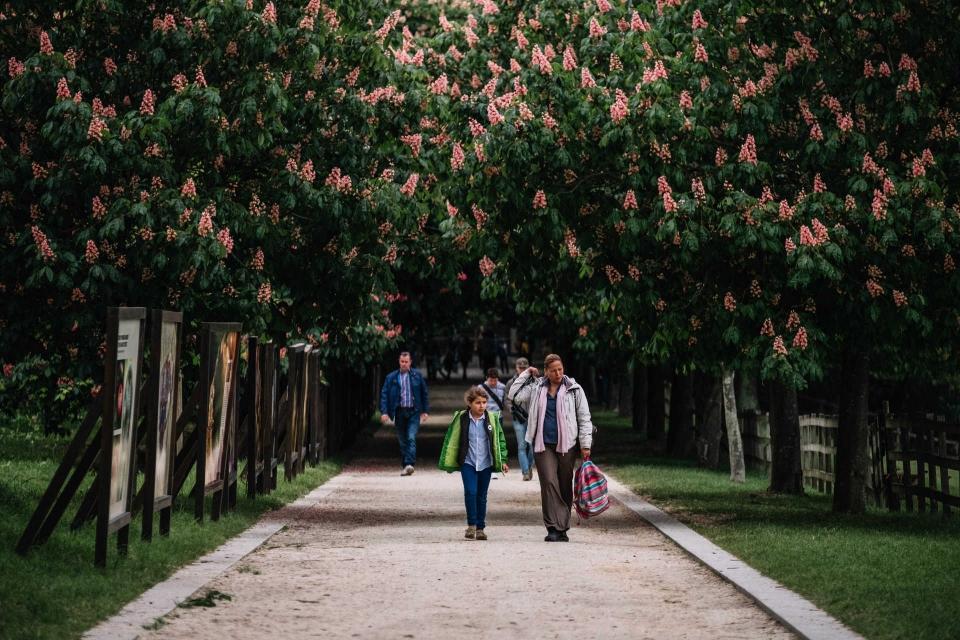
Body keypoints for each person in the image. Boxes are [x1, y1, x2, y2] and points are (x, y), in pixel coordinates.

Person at [509, 354, 593, 542]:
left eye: (560, 369)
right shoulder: (536, 388)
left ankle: (563, 527)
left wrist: (585, 444)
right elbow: (513, 395)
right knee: (548, 482)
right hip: (543, 444)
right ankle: (553, 527)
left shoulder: (574, 389)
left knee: (564, 484)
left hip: (567, 445)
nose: (557, 373)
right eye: (553, 370)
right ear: (546, 371)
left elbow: (584, 418)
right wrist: (526, 374)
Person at [438, 386, 509, 540]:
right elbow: (452, 439)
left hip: (486, 463)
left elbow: (500, 440)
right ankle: (471, 525)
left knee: (482, 496)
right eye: (478, 402)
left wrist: (503, 460)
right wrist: (450, 460)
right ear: (469, 403)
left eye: (484, 402)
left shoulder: (492, 419)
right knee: (471, 492)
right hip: (468, 462)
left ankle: (480, 528)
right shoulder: (462, 418)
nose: (481, 406)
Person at [379, 351, 430, 476]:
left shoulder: (417, 376)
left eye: (406, 362)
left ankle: (409, 463)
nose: (404, 364)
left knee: (411, 437)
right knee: (402, 440)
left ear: (410, 362)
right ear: (399, 361)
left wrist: (425, 411)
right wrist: (384, 412)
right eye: (402, 361)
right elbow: (384, 395)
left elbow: (424, 393)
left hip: (414, 411)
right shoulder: (391, 377)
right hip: (399, 412)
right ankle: (406, 465)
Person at [506, 357, 535, 482]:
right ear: (516, 368)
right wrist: (511, 409)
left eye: (524, 367)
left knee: (532, 445)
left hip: (532, 417)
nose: (522, 370)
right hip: (518, 417)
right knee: (522, 445)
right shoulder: (511, 383)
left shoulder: (534, 381)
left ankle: (529, 466)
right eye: (520, 367)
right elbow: (507, 399)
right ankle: (525, 471)